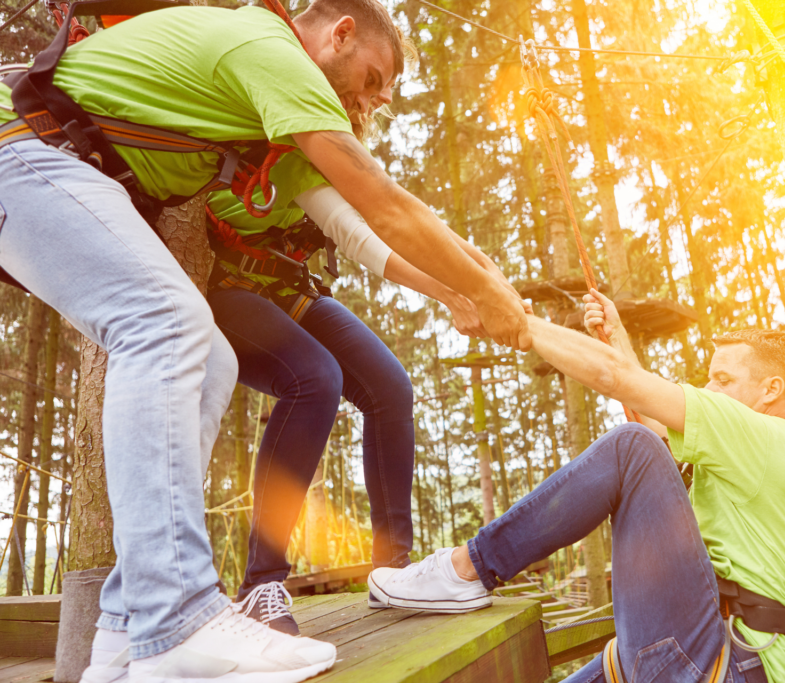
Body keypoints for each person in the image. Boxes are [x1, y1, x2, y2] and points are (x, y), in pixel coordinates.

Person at [0, 2, 528, 681]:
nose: (380, 98)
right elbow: (385, 201)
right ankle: (176, 616)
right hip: (24, 144)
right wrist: (487, 293)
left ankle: (125, 632)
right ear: (339, 34)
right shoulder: (268, 48)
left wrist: (475, 285)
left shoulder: (278, 110)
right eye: (373, 77)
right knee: (166, 323)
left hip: (51, 163)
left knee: (209, 354)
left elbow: (364, 224)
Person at [368, 289, 785, 683]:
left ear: (771, 390)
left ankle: (466, 570)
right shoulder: (781, 456)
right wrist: (617, 337)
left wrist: (520, 323)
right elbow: (658, 422)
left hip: (723, 662)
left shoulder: (764, 436)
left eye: (722, 379)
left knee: (631, 447)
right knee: (643, 446)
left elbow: (621, 388)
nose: (710, 391)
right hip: (712, 654)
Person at [206, 108, 488, 633]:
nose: (374, 102)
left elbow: (396, 219)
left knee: (390, 388)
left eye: (384, 97)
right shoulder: (297, 136)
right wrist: (448, 292)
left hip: (285, 286)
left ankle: (392, 571)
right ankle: (261, 582)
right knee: (314, 379)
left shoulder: (341, 154)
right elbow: (357, 236)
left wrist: (474, 269)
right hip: (221, 288)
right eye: (372, 84)